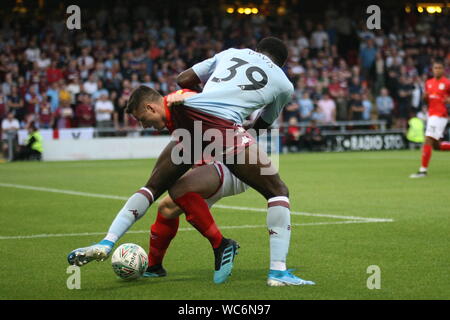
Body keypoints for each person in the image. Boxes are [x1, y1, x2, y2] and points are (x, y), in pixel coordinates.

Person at [67, 37, 315, 286]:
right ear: (281, 63)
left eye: (144, 120)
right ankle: (278, 272)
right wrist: (244, 134)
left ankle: (108, 240)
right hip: (221, 127)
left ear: (257, 50)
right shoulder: (284, 83)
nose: (146, 127)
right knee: (277, 192)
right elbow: (265, 123)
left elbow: (184, 78)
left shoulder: (231, 53)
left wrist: (197, 97)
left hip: (190, 121)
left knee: (152, 188)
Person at [144, 161, 249, 278]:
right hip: (224, 168)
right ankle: (154, 266)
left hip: (234, 166)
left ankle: (221, 244)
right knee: (167, 208)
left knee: (180, 189)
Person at [410, 59, 450, 178]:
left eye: (439, 68)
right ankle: (423, 170)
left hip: (440, 115)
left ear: (443, 70)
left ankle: (423, 171)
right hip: (431, 114)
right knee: (436, 146)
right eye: (435, 68)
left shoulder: (447, 83)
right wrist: (425, 97)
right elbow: (427, 101)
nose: (437, 70)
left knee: (428, 140)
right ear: (432, 70)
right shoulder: (428, 83)